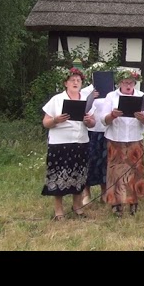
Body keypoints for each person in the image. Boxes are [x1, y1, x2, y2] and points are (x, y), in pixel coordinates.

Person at [41, 67, 96, 220]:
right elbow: (45, 122)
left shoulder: (86, 100)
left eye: (78, 80)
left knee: (79, 175)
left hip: (81, 142)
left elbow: (93, 123)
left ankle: (77, 206)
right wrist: (55, 120)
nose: (76, 82)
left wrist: (89, 121)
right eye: (72, 80)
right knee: (59, 175)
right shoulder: (56, 99)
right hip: (60, 143)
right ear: (66, 83)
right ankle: (59, 210)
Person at [101, 69, 144, 217]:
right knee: (116, 173)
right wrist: (112, 115)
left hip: (135, 138)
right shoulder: (111, 96)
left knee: (135, 171)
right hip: (116, 138)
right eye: (125, 82)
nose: (128, 85)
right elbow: (103, 120)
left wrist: (142, 117)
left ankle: (133, 202)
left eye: (131, 83)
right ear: (120, 83)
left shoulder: (142, 96)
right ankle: (116, 204)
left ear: (135, 83)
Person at [81, 62, 113, 205]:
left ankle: (104, 192)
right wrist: (90, 97)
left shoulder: (112, 90)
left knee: (105, 163)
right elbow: (81, 108)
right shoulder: (86, 91)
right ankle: (86, 192)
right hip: (91, 132)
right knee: (90, 162)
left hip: (106, 131)